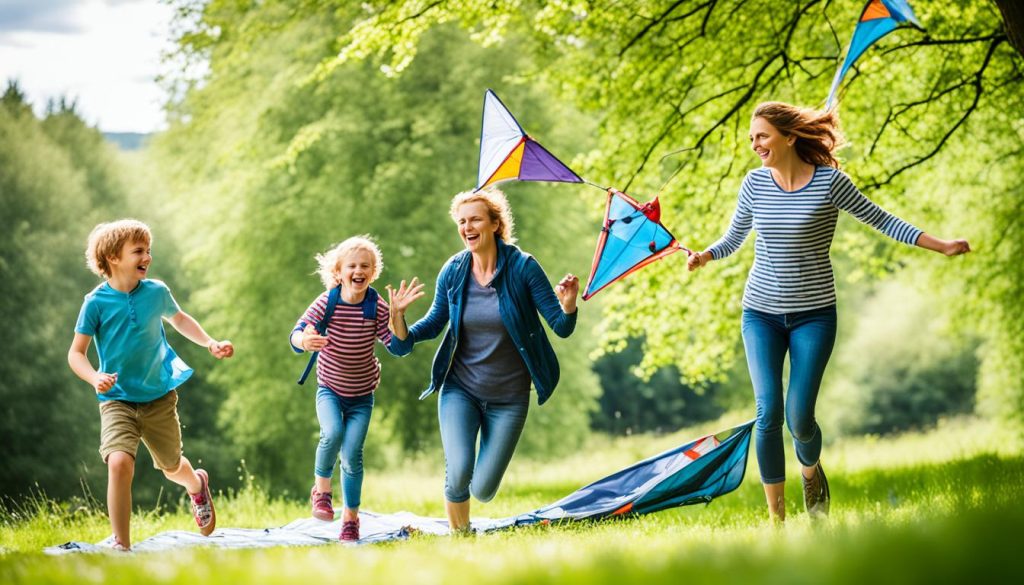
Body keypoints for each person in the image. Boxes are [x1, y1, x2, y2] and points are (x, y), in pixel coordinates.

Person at [686, 102, 970, 522]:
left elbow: (884, 221)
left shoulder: (829, 183)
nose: (755, 145)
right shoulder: (753, 185)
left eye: (761, 136)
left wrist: (941, 244)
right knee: (768, 414)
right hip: (760, 313)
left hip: (813, 315)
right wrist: (706, 255)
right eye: (751, 138)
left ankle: (811, 472)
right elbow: (733, 239)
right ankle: (777, 524)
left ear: (789, 136)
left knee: (799, 417)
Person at [387, 189, 579, 533]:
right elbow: (428, 328)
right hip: (461, 389)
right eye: (461, 221)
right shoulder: (455, 270)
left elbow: (561, 327)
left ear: (495, 224)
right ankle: (461, 539)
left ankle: (468, 522)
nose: (467, 227)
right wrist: (399, 320)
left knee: (484, 489)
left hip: (509, 397)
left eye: (475, 219)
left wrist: (568, 304)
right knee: (459, 469)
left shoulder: (523, 268)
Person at [67, 219, 234, 551]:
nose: (148, 257)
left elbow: (180, 319)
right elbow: (76, 354)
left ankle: (196, 484)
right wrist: (95, 377)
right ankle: (122, 545)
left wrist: (209, 343)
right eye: (139, 251)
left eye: (148, 250)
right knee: (118, 462)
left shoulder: (156, 292)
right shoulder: (96, 303)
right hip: (117, 399)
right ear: (113, 257)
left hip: (158, 395)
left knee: (172, 467)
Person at [290, 236, 400, 542]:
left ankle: (351, 519)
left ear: (373, 272)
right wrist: (304, 341)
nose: (358, 270)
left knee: (352, 455)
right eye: (351, 265)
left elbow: (397, 347)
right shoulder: (328, 302)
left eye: (365, 266)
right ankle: (322, 491)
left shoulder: (375, 306)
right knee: (332, 434)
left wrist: (398, 318)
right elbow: (296, 335)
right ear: (339, 271)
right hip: (330, 389)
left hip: (362, 396)